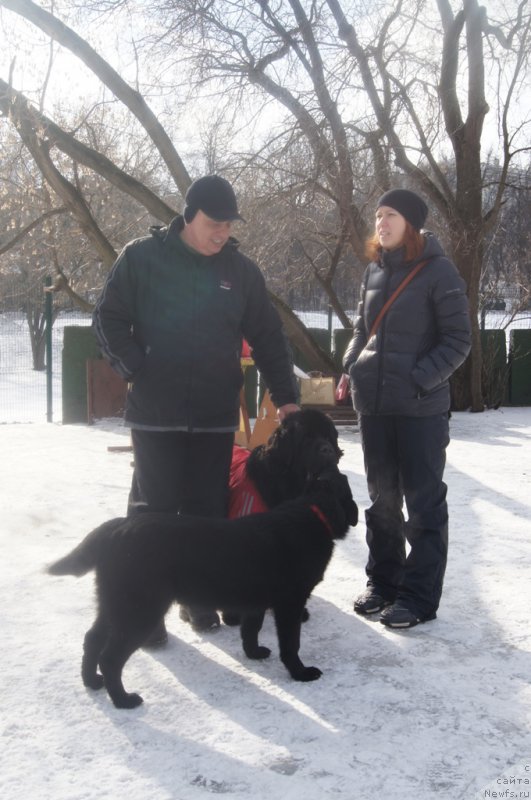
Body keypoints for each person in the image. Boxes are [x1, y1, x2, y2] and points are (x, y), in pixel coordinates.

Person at [93, 174, 299, 640]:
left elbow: (268, 336)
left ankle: (198, 600)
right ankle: (143, 609)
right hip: (155, 413)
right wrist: (135, 367)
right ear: (189, 215)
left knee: (207, 513)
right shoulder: (142, 259)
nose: (222, 232)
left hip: (214, 414)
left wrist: (286, 399)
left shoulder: (240, 272)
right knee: (154, 513)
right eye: (214, 222)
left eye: (228, 224)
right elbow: (108, 316)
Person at [343, 188, 471, 629]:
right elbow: (363, 328)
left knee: (423, 505)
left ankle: (418, 597)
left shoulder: (439, 272)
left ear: (411, 223)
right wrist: (351, 364)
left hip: (419, 410)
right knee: (381, 501)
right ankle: (383, 583)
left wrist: (418, 379)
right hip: (375, 409)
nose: (381, 222)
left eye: (390, 214)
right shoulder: (373, 271)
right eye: (378, 215)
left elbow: (459, 340)